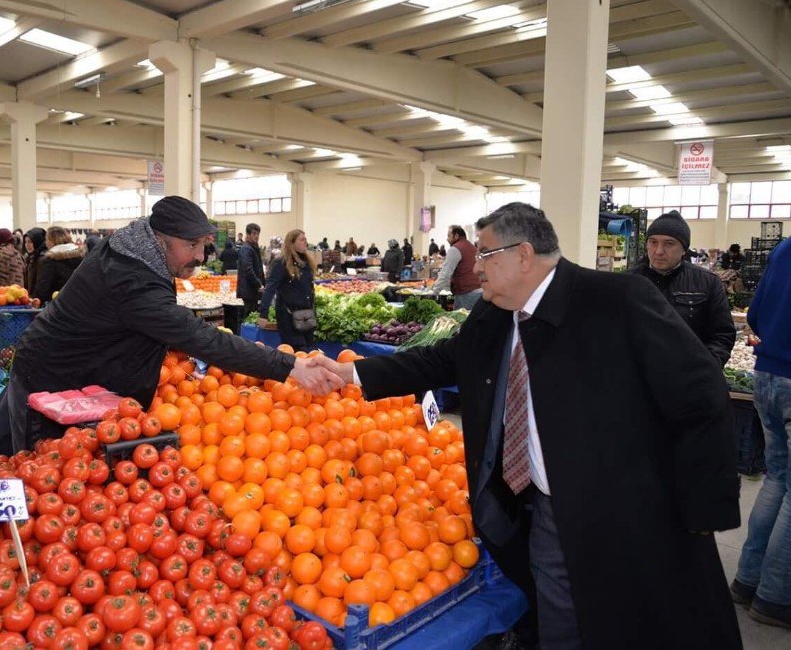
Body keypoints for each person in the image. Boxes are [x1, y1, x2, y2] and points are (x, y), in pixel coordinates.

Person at [312, 202, 741, 648]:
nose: (475, 267)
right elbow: (442, 360)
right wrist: (351, 374)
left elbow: (700, 394)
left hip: (629, 512)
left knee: (634, 623)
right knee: (559, 622)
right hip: (547, 507)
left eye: (485, 254)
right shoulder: (495, 313)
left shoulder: (620, 301)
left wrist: (700, 509)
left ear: (523, 255)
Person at [0, 196, 340, 461]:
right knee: (19, 466)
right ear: (162, 239)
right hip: (54, 384)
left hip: (68, 374)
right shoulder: (132, 278)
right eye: (192, 246)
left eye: (204, 245)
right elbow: (198, 336)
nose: (200, 257)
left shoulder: (135, 250)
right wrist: (289, 367)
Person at [731, 236, 791, 627]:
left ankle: (747, 582)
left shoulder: (784, 249)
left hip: (768, 376)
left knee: (777, 480)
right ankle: (776, 597)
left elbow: (754, 316)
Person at [627, 210, 734, 367]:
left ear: (684, 249)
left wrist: (707, 369)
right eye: (653, 242)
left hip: (689, 379)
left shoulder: (707, 283)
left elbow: (722, 334)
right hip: (637, 380)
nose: (659, 251)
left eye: (669, 244)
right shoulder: (628, 281)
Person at [259, 230, 316, 351]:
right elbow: (270, 289)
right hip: (289, 316)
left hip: (306, 315)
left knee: (309, 349)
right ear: (291, 242)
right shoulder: (281, 263)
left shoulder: (306, 262)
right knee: (296, 351)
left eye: (305, 239)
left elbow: (309, 288)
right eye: (302, 239)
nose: (306, 242)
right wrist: (263, 313)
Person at [431, 225, 482, 309]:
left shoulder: (455, 249)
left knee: (462, 320)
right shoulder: (471, 246)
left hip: (466, 294)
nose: (447, 239)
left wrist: (434, 292)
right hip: (478, 291)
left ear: (456, 236)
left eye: (449, 235)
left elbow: (445, 273)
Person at [33, 226, 85, 304]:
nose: (46, 243)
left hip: (56, 306)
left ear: (52, 241)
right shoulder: (82, 257)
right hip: (80, 304)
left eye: (46, 239)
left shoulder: (49, 261)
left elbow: (42, 288)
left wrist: (35, 299)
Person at [237, 223, 264, 318]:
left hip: (253, 290)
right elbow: (248, 270)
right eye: (254, 233)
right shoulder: (246, 249)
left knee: (251, 315)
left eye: (258, 234)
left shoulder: (253, 247)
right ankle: (243, 333)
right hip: (249, 290)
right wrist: (258, 284)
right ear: (248, 234)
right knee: (248, 317)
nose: (256, 236)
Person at [23, 227, 47, 297]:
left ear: (37, 241)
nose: (27, 245)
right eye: (25, 242)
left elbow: (41, 285)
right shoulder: (29, 257)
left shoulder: (42, 259)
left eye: (30, 242)